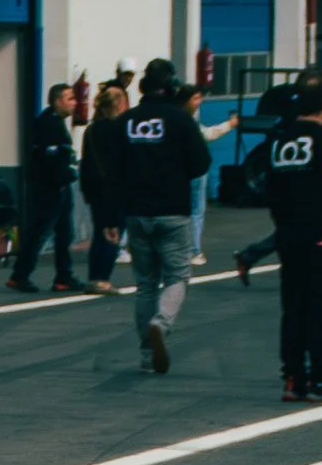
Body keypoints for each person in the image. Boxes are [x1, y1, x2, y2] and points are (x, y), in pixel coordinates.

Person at [235, 73, 322, 401]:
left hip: (290, 234)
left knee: (293, 307)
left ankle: (293, 376)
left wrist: (284, 224)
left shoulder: (279, 142)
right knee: (321, 307)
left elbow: (272, 189)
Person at [117, 57, 211, 374]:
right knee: (177, 276)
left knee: (145, 285)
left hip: (136, 210)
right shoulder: (181, 120)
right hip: (172, 210)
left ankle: (146, 354)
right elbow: (200, 163)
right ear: (172, 88)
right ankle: (162, 322)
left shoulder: (127, 121)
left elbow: (110, 162)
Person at [12, 82, 82, 293]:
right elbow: (49, 159)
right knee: (39, 231)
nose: (74, 103)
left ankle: (64, 275)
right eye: (70, 98)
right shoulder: (47, 125)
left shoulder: (57, 123)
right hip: (49, 189)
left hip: (60, 188)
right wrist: (64, 174)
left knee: (64, 233)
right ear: (58, 100)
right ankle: (20, 274)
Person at [80, 73, 129, 288]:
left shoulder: (91, 129)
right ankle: (103, 278)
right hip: (115, 189)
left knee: (100, 232)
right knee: (113, 232)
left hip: (94, 189)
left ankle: (94, 277)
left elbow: (86, 162)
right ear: (119, 104)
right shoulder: (120, 129)